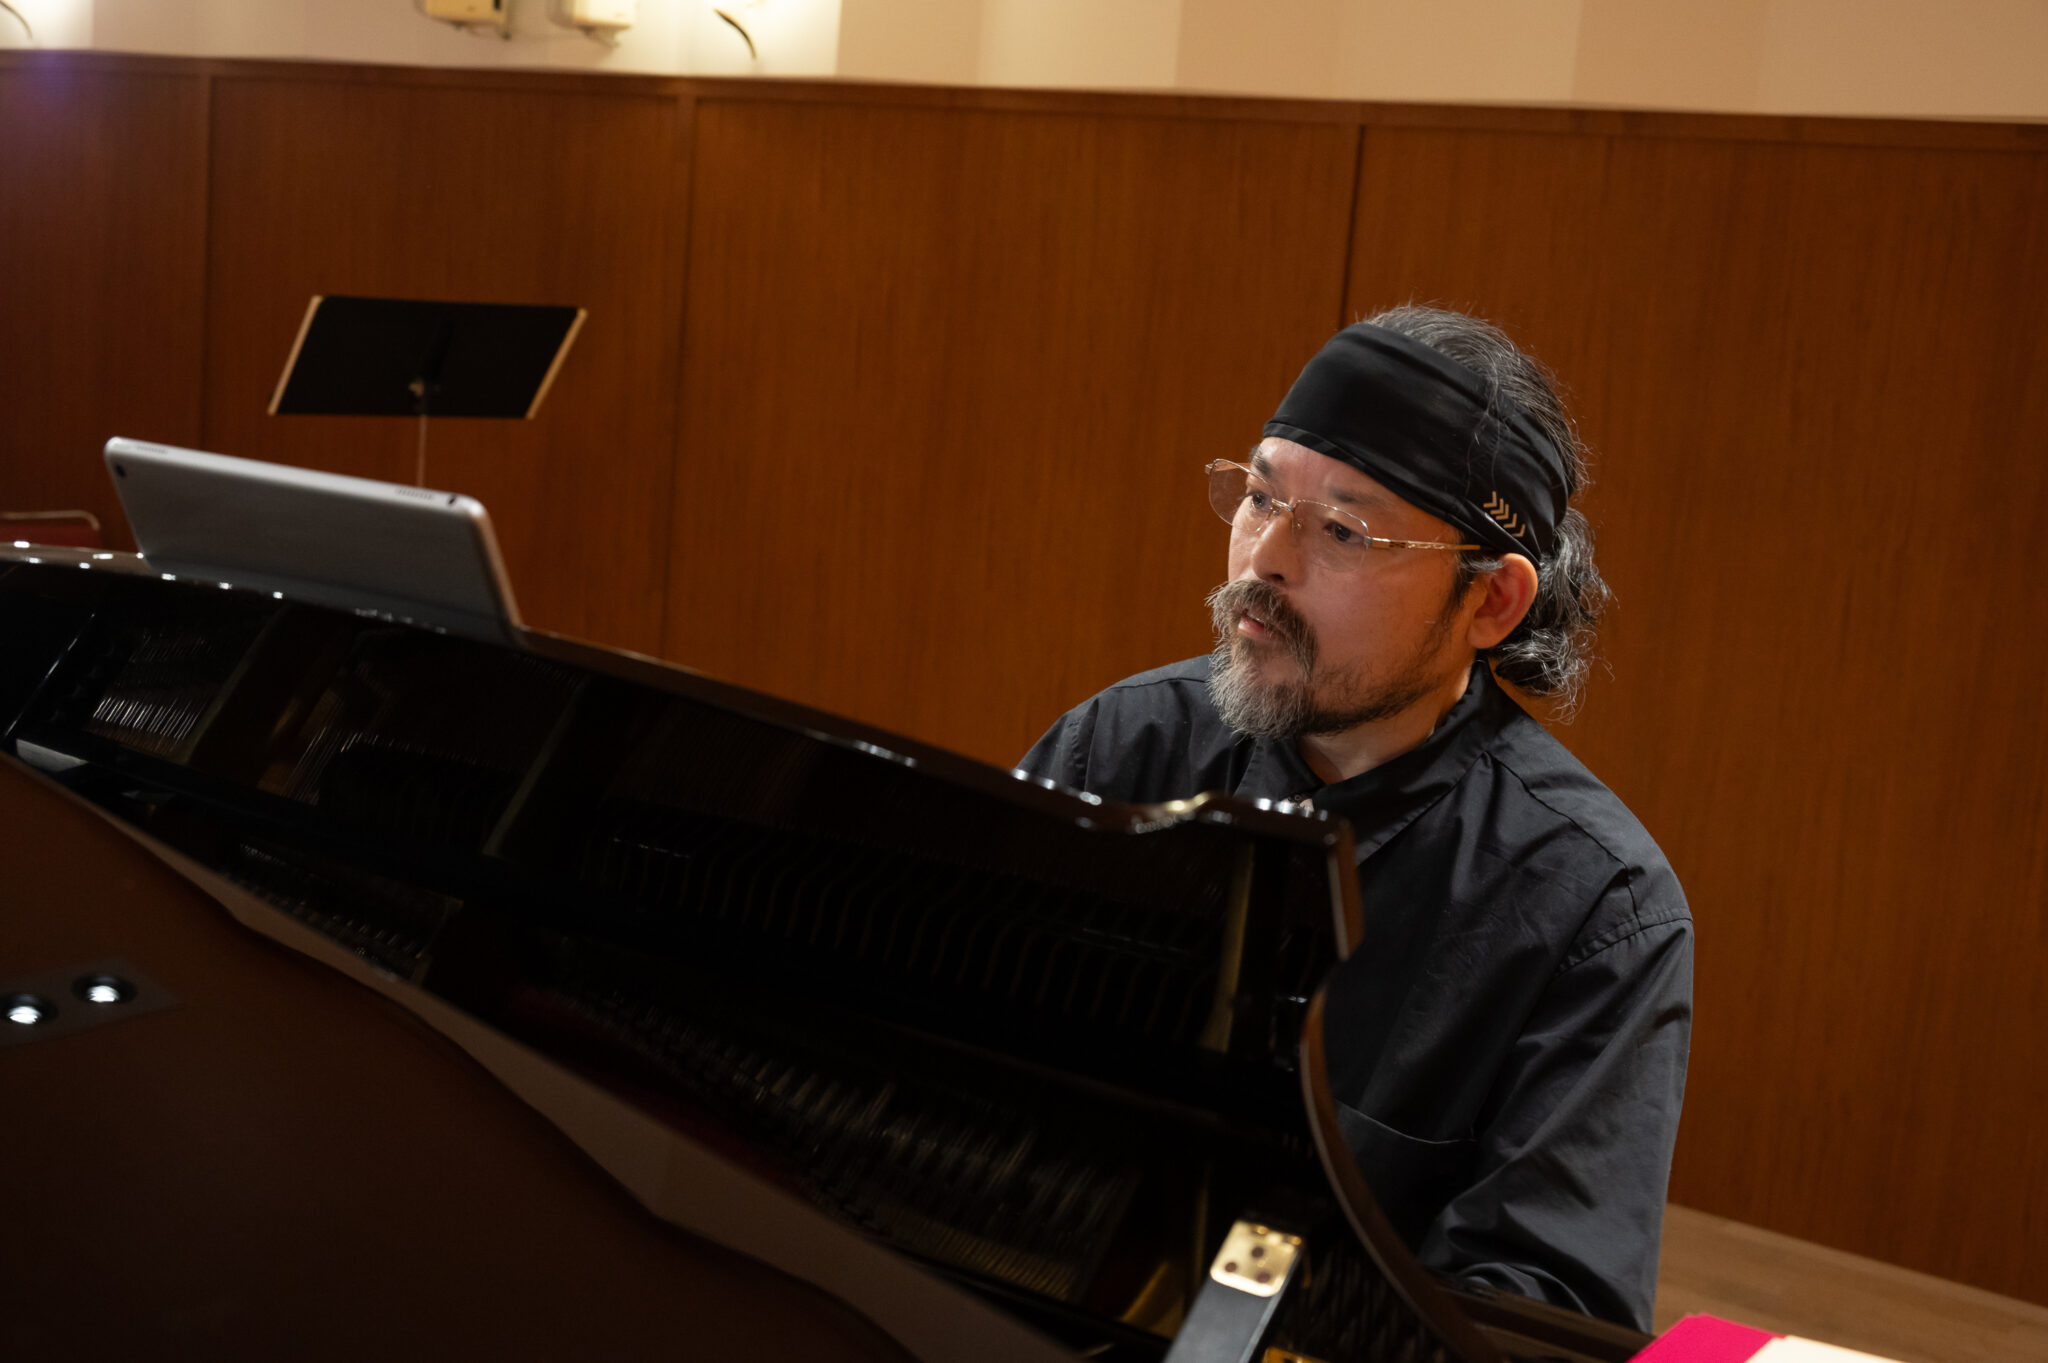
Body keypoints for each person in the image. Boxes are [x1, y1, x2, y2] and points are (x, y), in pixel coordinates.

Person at [1018, 306, 1692, 1331]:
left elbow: (1539, 1312)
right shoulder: (1117, 752)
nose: (1264, 560)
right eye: (1258, 497)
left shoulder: (1593, 908)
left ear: (1490, 603)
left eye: (1341, 530)